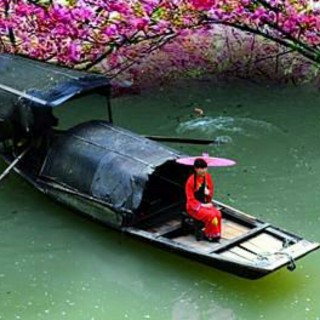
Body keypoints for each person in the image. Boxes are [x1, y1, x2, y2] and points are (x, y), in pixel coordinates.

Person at [185, 158, 222, 241]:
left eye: (205, 168)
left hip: (205, 203)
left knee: (218, 214)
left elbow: (211, 191)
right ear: (196, 169)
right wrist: (203, 205)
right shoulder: (190, 181)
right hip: (194, 207)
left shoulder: (207, 177)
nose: (204, 170)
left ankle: (214, 233)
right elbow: (190, 199)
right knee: (211, 216)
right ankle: (209, 235)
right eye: (201, 168)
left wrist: (208, 193)